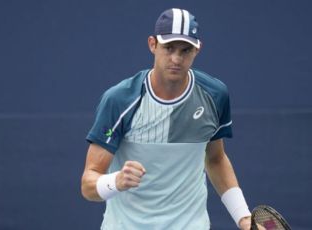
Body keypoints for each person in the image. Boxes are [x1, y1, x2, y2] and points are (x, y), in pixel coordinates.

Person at [81, 8, 265, 230]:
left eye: (185, 50)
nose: (176, 59)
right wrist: (116, 181)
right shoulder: (119, 100)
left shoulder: (215, 96)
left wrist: (243, 217)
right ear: (153, 44)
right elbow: (88, 184)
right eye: (169, 48)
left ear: (197, 50)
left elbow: (215, 159)